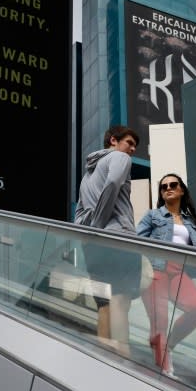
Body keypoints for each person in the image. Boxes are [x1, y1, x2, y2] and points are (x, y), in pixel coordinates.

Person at [137, 173, 196, 375]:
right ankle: (166, 371)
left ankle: (166, 345)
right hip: (157, 268)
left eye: (173, 185)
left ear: (181, 190)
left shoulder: (191, 223)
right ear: (161, 194)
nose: (168, 188)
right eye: (164, 187)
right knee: (160, 320)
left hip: (179, 270)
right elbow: (138, 239)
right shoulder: (153, 216)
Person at [74, 125, 140, 356]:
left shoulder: (86, 176)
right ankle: (124, 361)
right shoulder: (120, 158)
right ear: (113, 140)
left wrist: (90, 235)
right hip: (118, 238)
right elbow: (113, 184)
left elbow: (79, 214)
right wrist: (100, 224)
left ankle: (101, 358)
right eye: (129, 142)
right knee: (121, 301)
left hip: (93, 245)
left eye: (134, 146)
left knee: (104, 304)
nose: (132, 149)